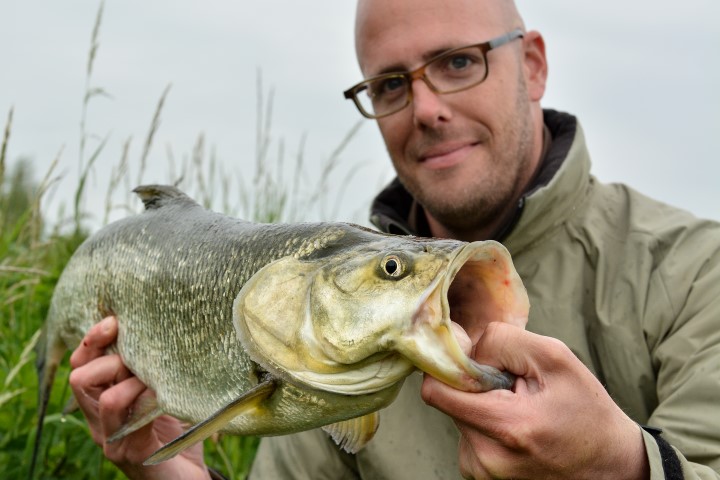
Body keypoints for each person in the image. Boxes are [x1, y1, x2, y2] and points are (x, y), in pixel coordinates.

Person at [68, 0, 720, 478]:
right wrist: (169, 468)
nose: (427, 109)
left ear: (532, 65)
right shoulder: (320, 327)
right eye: (390, 85)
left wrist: (621, 466)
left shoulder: (698, 273)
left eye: (459, 63)